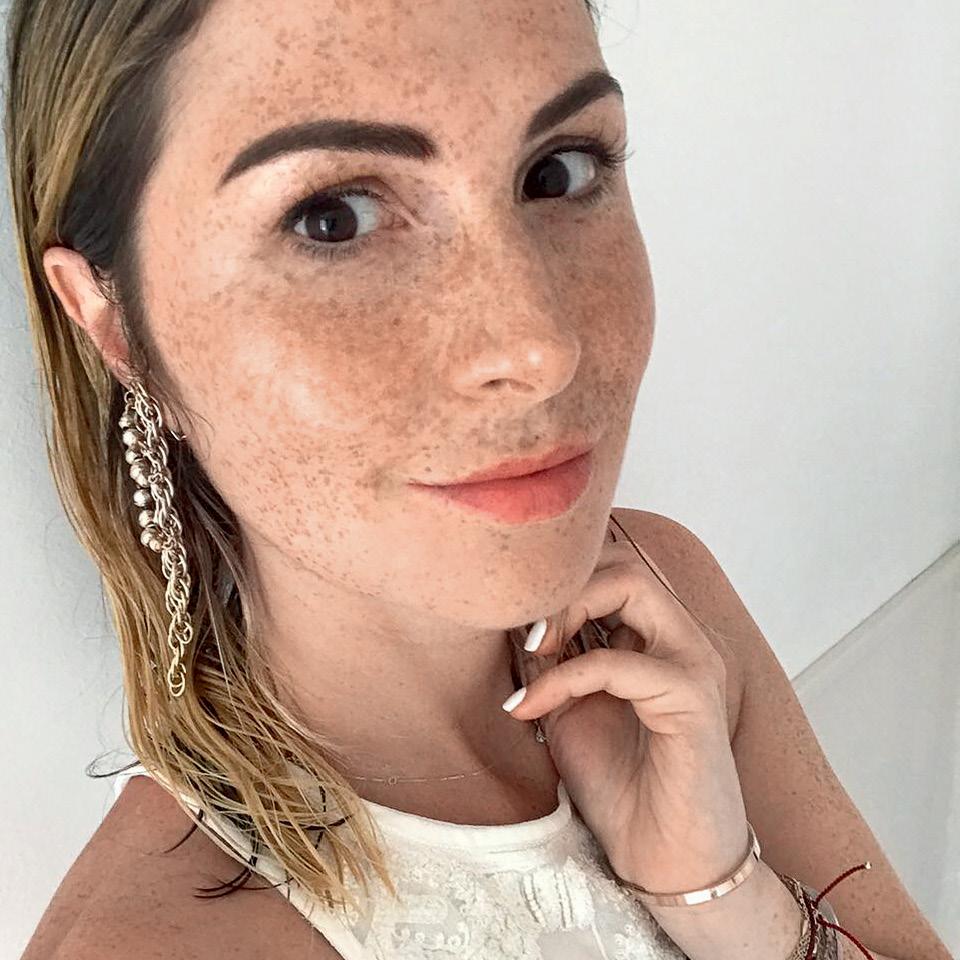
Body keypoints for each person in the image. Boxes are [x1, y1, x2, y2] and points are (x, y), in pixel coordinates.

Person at [6, 2, 952, 959]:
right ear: (113, 321)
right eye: (334, 219)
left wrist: (725, 899)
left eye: (558, 170)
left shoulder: (661, 604)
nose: (539, 348)